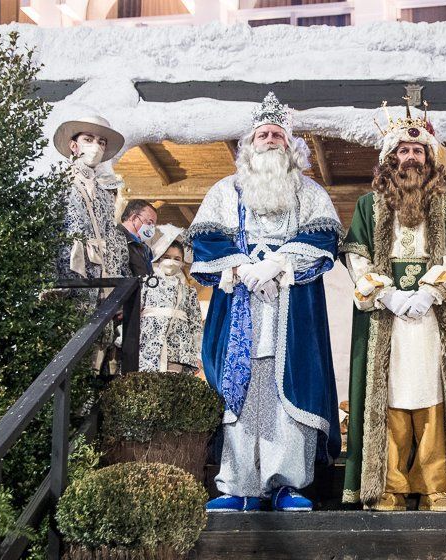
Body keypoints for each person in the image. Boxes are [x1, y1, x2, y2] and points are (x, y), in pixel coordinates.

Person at [189, 93, 342, 513]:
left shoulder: (309, 191)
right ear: (249, 145)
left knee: (286, 398)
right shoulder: (224, 190)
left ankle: (286, 485)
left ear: (290, 145)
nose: (271, 139)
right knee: (243, 395)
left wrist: (277, 263)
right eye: (263, 134)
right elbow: (204, 238)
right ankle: (238, 486)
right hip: (241, 306)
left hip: (291, 311)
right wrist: (241, 267)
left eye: (278, 134)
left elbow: (324, 236)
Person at [341, 99, 446, 512]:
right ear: (390, 159)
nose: (411, 157)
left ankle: (439, 488)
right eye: (403, 150)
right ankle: (389, 488)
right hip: (387, 318)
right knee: (390, 399)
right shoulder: (369, 205)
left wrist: (429, 292)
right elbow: (357, 258)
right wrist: (388, 295)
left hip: (433, 317)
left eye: (419, 151)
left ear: (430, 158)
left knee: (436, 398)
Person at [54, 115, 130, 371]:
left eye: (101, 141)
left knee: (100, 352)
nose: (95, 146)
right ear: (74, 146)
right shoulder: (58, 186)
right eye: (88, 139)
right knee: (68, 350)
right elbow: (46, 236)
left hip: (103, 284)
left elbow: (116, 241)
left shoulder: (105, 196)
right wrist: (50, 282)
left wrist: (120, 288)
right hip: (71, 282)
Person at [138, 224, 203, 375]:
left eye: (177, 259)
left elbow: (195, 324)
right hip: (147, 345)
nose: (171, 262)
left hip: (179, 349)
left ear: (182, 262)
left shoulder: (189, 290)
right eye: (167, 257)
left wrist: (197, 353)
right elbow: (134, 312)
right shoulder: (145, 283)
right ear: (159, 257)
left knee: (174, 390)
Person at [119, 199, 157, 277]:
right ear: (134, 218)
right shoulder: (116, 239)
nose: (151, 228)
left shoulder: (144, 247)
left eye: (153, 225)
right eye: (149, 223)